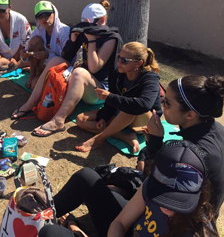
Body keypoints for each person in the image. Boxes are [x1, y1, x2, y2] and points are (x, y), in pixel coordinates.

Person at [39, 140, 215, 237]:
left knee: (51, 233)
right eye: (161, 195)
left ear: (199, 194)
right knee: (86, 177)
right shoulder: (153, 183)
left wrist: (75, 229)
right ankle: (37, 216)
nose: (165, 206)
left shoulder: (197, 231)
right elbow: (121, 222)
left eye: (177, 201)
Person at [12, 0, 122, 138]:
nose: (87, 28)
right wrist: (73, 41)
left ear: (102, 20)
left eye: (89, 25)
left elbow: (94, 68)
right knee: (55, 60)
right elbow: (66, 57)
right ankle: (30, 103)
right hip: (83, 83)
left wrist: (92, 40)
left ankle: (59, 120)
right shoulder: (85, 32)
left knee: (79, 73)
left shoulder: (111, 38)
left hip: (100, 91)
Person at [138, 75, 224, 217]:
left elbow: (152, 182)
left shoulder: (189, 152)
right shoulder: (216, 128)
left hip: (181, 222)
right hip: (205, 214)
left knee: (92, 179)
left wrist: (154, 142)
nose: (161, 105)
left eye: (167, 103)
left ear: (189, 114)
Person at [75, 42, 162, 153]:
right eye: (119, 58)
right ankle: (126, 137)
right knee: (81, 120)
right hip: (121, 113)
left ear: (138, 63)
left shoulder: (150, 78)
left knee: (132, 105)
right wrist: (104, 117)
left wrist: (110, 97)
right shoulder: (117, 73)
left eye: (124, 61)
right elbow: (112, 100)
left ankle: (99, 139)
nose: (119, 63)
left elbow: (144, 105)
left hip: (144, 119)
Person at [20, 0, 69, 89]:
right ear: (37, 19)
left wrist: (48, 55)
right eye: (40, 17)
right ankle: (33, 74)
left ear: (54, 14)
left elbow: (68, 59)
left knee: (35, 86)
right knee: (35, 41)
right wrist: (24, 54)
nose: (44, 19)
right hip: (44, 64)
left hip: (59, 67)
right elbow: (28, 49)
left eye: (47, 15)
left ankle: (40, 75)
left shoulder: (64, 31)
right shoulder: (38, 30)